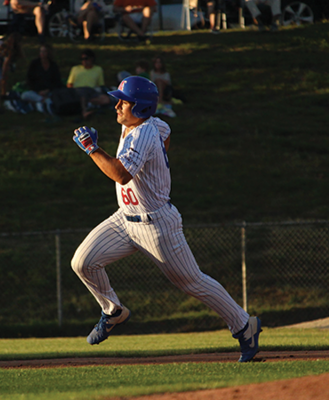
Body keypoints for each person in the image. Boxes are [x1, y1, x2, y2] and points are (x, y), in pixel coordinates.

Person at [71, 76, 262, 363]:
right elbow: (166, 130)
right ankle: (113, 311)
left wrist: (92, 149)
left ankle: (245, 325)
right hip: (124, 220)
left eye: (124, 101)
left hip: (156, 224)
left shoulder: (143, 132)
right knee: (82, 262)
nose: (117, 105)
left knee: (192, 283)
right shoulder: (147, 125)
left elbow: (121, 174)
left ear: (141, 108)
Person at [66, 48, 111, 119]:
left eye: (86, 58)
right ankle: (85, 111)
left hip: (91, 90)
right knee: (83, 95)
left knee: (106, 99)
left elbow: (101, 84)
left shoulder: (98, 69)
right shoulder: (75, 69)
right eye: (82, 59)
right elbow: (69, 83)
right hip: (78, 90)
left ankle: (89, 103)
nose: (84, 61)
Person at [0, 32, 25, 113]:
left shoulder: (9, 48)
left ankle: (3, 94)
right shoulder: (9, 50)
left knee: (4, 79)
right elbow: (5, 64)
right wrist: (3, 74)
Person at [21, 43, 64, 113]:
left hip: (50, 91)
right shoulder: (35, 64)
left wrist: (48, 90)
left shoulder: (53, 65)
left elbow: (57, 81)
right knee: (24, 95)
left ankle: (40, 104)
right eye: (41, 51)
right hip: (37, 92)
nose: (42, 53)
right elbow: (30, 80)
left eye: (44, 51)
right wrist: (38, 91)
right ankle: (43, 101)